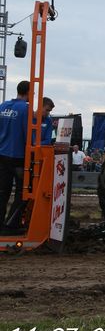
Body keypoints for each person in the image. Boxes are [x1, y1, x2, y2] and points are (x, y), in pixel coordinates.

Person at [0, 81, 29, 235]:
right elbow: (27, 133)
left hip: (2, 153)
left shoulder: (3, 106)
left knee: (2, 191)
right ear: (28, 92)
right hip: (18, 155)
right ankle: (11, 225)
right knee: (23, 191)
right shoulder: (25, 108)